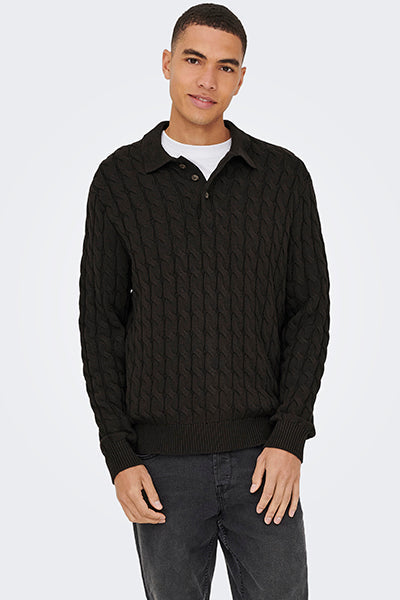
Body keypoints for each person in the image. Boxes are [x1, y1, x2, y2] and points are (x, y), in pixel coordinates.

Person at [78, 3, 330, 599]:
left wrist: (289, 438)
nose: (207, 80)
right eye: (194, 60)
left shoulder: (283, 177)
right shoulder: (120, 180)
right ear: (167, 63)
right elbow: (101, 324)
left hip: (264, 463)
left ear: (241, 78)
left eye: (226, 66)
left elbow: (309, 314)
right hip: (161, 468)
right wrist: (119, 454)